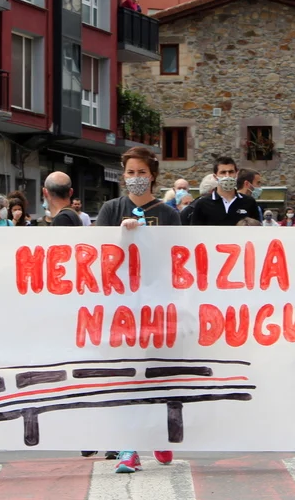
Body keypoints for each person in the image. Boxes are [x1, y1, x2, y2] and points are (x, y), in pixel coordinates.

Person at [94, 147, 180, 472]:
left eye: (141, 172)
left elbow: (176, 258)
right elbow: (98, 254)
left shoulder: (169, 214)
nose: (136, 178)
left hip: (158, 305)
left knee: (157, 373)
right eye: (130, 172)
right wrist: (122, 237)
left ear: (152, 175)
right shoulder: (111, 209)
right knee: (126, 374)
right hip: (121, 306)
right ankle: (128, 447)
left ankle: (158, 435)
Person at [189, 157, 261, 225]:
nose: (227, 176)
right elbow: (196, 230)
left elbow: (256, 229)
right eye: (223, 172)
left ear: (236, 174)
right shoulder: (203, 203)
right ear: (215, 177)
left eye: (231, 172)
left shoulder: (249, 202)